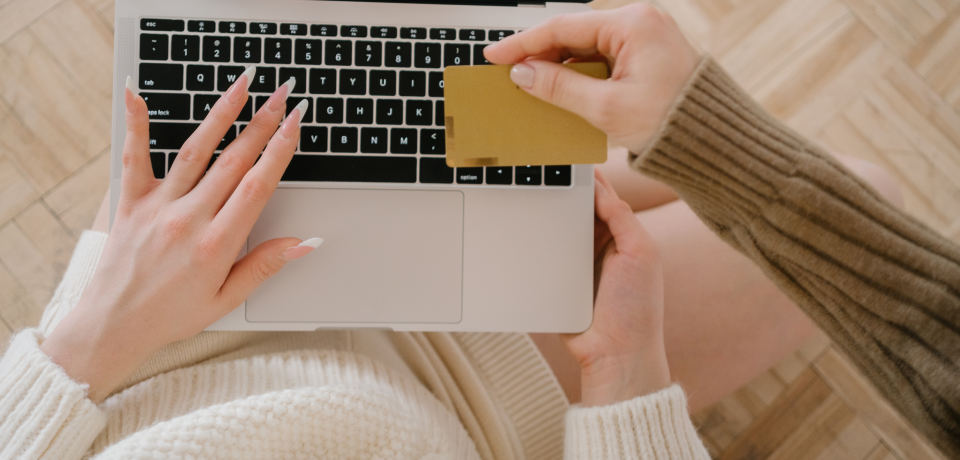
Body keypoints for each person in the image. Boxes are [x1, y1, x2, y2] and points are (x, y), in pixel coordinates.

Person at [2, 3, 957, 459]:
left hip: (165, 321)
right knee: (861, 187)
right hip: (497, 411)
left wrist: (88, 332)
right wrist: (626, 391)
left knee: (498, 110)